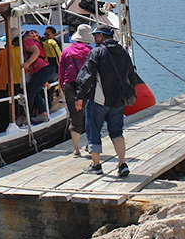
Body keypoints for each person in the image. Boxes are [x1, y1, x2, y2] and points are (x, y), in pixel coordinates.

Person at [74, 25, 135, 178]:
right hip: (118, 101)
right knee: (117, 132)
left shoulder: (97, 52)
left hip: (99, 100)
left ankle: (96, 165)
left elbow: (87, 76)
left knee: (93, 131)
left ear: (101, 36)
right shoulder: (123, 52)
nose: (94, 38)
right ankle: (122, 164)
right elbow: (131, 75)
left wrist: (79, 96)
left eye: (95, 35)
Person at [58, 24, 94, 157]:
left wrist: (63, 87)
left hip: (69, 85)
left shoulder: (66, 52)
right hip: (86, 85)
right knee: (89, 114)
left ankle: (76, 149)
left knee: (74, 116)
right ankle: (90, 144)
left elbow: (61, 73)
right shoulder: (90, 51)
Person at [22, 29, 56, 124]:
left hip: (43, 69)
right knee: (34, 89)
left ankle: (26, 116)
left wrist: (27, 63)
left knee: (30, 91)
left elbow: (36, 52)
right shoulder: (35, 41)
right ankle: (42, 112)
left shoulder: (27, 40)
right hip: (46, 69)